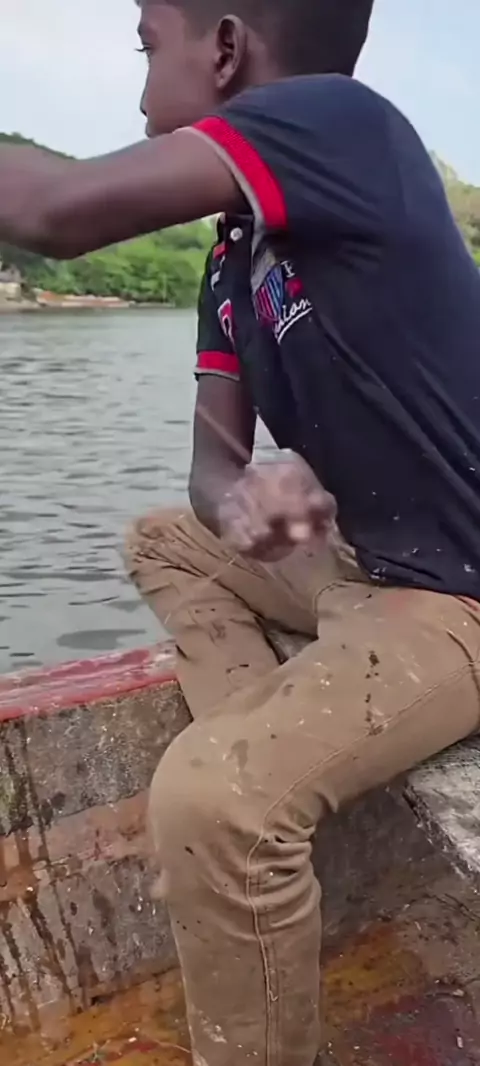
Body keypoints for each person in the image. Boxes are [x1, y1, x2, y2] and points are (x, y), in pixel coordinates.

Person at [3, 1, 480, 1063]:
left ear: (224, 49)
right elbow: (212, 466)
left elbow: (50, 210)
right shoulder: (235, 256)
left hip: (459, 593)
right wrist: (242, 502)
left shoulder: (342, 123)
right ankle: (262, 760)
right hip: (361, 567)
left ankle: (238, 807)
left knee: (211, 801)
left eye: (147, 46)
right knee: (164, 539)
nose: (138, 89)